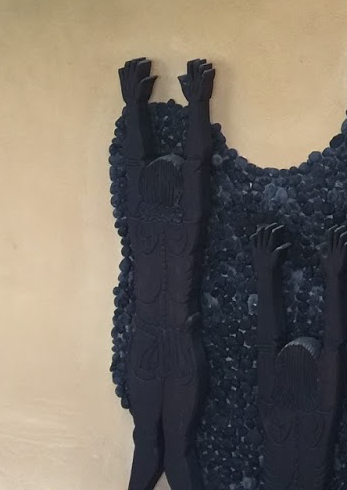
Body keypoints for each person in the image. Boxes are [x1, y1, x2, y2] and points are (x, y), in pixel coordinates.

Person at [119, 57, 214, 490]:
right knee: (159, 446)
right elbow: (191, 164)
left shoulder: (158, 227)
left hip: (168, 342)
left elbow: (142, 163)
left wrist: (136, 107)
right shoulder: (173, 228)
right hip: (158, 341)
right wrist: (196, 106)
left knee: (170, 446)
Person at [252, 223, 347, 490]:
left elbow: (267, 343)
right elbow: (333, 345)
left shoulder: (274, 411)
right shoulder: (318, 414)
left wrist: (266, 276)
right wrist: (334, 278)